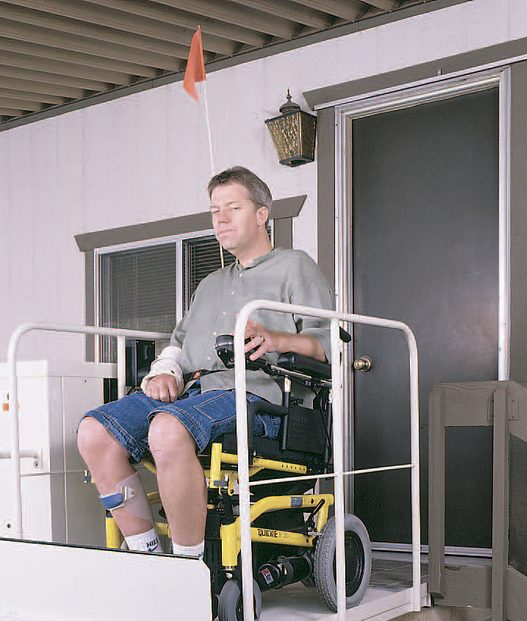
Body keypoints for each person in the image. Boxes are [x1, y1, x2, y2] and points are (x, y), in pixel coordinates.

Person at [77, 165, 334, 558]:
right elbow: (178, 344)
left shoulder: (295, 266)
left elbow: (327, 343)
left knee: (166, 429)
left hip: (257, 396)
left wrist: (276, 338)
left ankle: (187, 566)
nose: (221, 219)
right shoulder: (210, 283)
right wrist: (165, 371)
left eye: (233, 207)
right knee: (94, 432)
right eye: (215, 211)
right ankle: (147, 555)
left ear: (262, 214)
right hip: (194, 394)